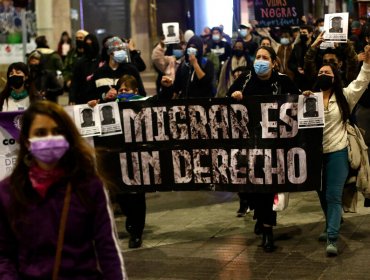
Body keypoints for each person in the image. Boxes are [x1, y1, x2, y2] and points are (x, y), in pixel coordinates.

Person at [0, 100, 127, 279]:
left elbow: (107, 248)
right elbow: (3, 254)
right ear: (27, 142)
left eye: (57, 132)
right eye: (40, 133)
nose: (50, 138)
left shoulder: (89, 186)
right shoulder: (8, 192)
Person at [228, 46, 301, 252]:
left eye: (265, 57)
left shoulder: (282, 81)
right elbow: (226, 101)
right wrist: (234, 96)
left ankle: (268, 232)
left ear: (274, 62)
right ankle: (261, 217)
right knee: (253, 190)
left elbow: (298, 102)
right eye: (258, 56)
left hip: (274, 145)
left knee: (268, 189)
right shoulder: (245, 79)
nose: (260, 60)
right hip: (249, 145)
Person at [303, 45, 370, 256]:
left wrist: (367, 62)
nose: (323, 74)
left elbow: (361, 82)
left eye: (327, 73)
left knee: (333, 195)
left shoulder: (344, 96)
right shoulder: (308, 98)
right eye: (321, 72)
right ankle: (329, 224)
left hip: (338, 151)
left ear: (335, 77)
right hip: (315, 155)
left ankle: (332, 237)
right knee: (321, 194)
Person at [160, 35, 215, 100]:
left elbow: (205, 82)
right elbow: (177, 87)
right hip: (186, 103)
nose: (191, 49)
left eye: (194, 47)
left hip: (202, 102)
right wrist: (168, 85)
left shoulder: (207, 63)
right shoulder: (184, 64)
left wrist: (195, 64)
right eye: (190, 47)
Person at [69, 33, 101, 105]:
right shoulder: (80, 62)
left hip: (98, 98)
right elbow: (74, 81)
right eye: (87, 44)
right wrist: (72, 98)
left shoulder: (102, 60)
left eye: (91, 44)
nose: (89, 46)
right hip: (82, 98)